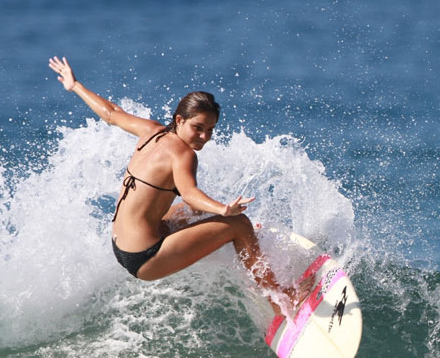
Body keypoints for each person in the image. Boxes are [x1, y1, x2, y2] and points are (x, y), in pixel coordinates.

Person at [48, 56, 295, 317]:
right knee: (238, 223)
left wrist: (75, 85)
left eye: (210, 130)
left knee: (197, 213)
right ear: (179, 120)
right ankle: (280, 299)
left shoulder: (151, 130)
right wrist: (224, 211)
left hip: (121, 247)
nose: (204, 137)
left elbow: (111, 114)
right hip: (146, 257)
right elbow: (190, 193)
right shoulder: (184, 155)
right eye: (198, 128)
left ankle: (242, 249)